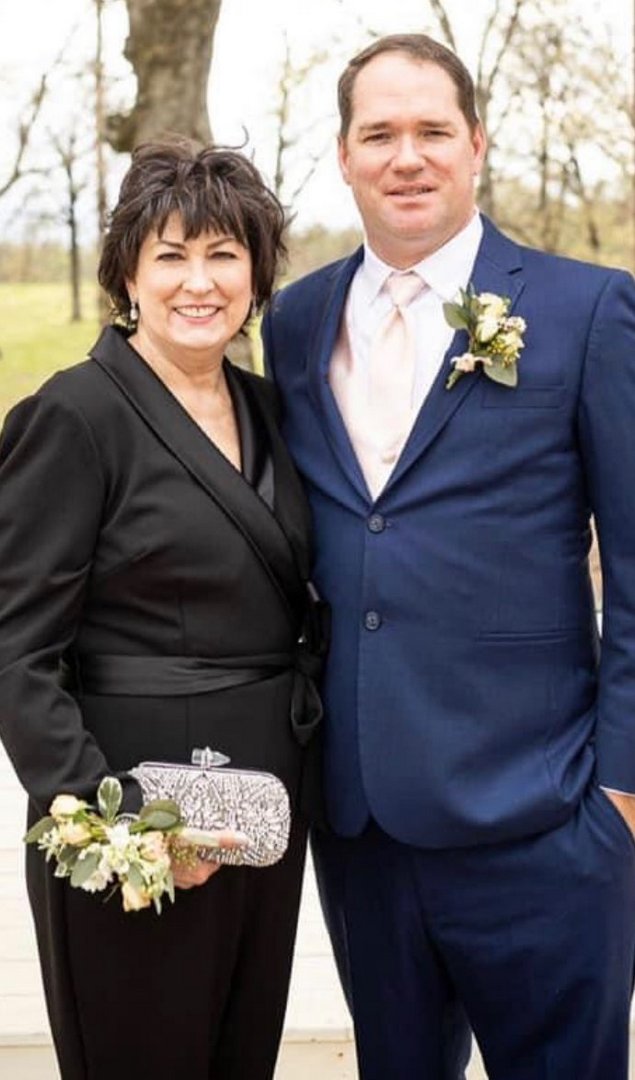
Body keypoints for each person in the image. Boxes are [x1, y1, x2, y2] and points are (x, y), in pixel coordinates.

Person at [263, 32, 635, 1080]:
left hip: (543, 820)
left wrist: (618, 794)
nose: (406, 157)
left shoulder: (585, 309)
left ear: (474, 143)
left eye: (431, 130)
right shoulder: (294, 322)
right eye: (378, 133)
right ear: (343, 155)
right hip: (362, 829)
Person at [0, 139, 324, 1080]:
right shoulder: (75, 415)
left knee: (239, 1056)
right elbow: (16, 649)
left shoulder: (270, 410)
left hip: (263, 801)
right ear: (128, 275)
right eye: (171, 255)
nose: (199, 281)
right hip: (130, 812)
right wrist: (119, 822)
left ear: (256, 275)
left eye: (224, 254)